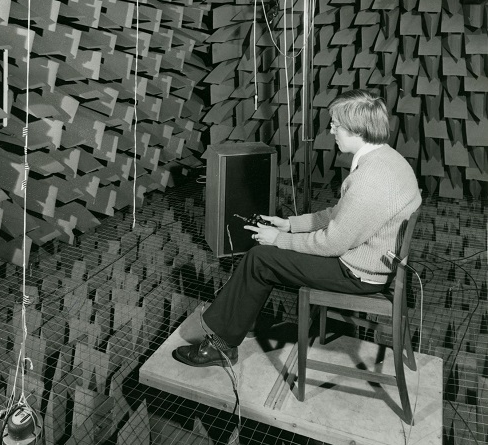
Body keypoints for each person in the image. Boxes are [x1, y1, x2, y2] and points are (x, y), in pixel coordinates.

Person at [174, 89, 421, 368]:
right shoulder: (386, 160)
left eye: (336, 125)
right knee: (265, 256)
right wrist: (290, 224)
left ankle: (221, 345)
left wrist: (279, 239)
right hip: (372, 262)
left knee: (260, 259)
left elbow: (333, 244)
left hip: (359, 274)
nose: (332, 131)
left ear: (356, 130)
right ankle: (239, 319)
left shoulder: (369, 180)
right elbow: (338, 215)